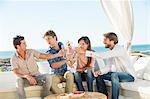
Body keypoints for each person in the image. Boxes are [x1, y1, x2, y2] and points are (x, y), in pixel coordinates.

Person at [86, 32, 136, 99]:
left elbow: (103, 55)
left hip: (129, 76)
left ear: (112, 41)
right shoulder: (111, 52)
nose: (103, 42)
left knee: (114, 75)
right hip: (117, 75)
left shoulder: (119, 49)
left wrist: (86, 52)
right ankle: (104, 97)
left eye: (105, 40)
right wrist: (100, 71)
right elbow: (108, 67)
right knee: (99, 75)